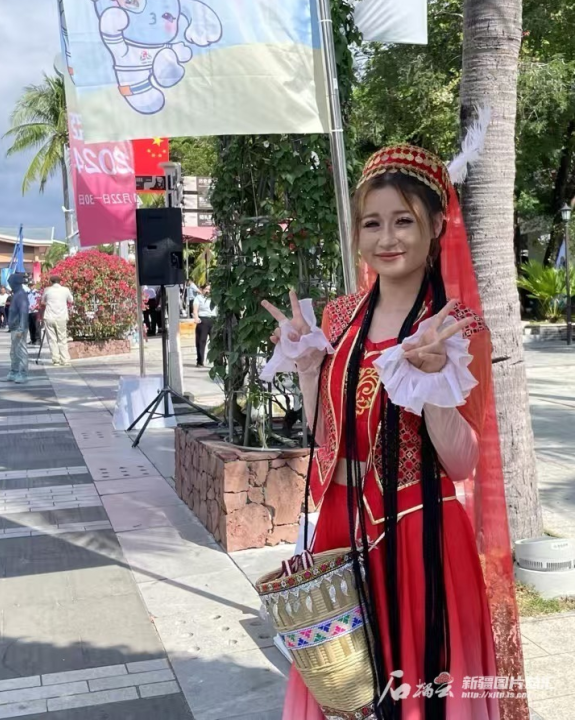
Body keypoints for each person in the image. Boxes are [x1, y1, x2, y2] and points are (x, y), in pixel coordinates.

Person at [263, 146, 522, 720]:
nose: (386, 238)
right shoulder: (339, 318)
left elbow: (462, 464)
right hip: (340, 525)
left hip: (419, 529)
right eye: (371, 223)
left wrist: (433, 389)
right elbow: (326, 435)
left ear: (436, 225)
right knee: (346, 692)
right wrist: (308, 367)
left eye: (403, 220)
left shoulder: (458, 329)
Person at [42, 275, 74, 366]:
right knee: (62, 339)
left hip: (49, 317)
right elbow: (71, 300)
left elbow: (42, 302)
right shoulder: (65, 290)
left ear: (51, 282)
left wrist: (49, 303)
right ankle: (65, 360)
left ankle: (56, 360)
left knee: (52, 339)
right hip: (61, 317)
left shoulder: (47, 290)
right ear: (60, 282)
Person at [6, 273, 30, 383]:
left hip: (18, 327)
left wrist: (21, 328)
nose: (10, 285)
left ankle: (23, 373)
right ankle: (14, 372)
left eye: (11, 283)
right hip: (14, 327)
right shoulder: (17, 294)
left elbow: (23, 312)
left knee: (21, 352)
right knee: (14, 352)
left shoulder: (21, 295)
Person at [192, 282, 216, 368]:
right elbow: (195, 310)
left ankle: (217, 362)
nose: (208, 291)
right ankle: (200, 361)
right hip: (203, 321)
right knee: (201, 341)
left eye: (209, 289)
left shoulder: (214, 297)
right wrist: (196, 318)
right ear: (201, 290)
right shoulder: (198, 298)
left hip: (214, 320)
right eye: (206, 289)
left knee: (215, 342)